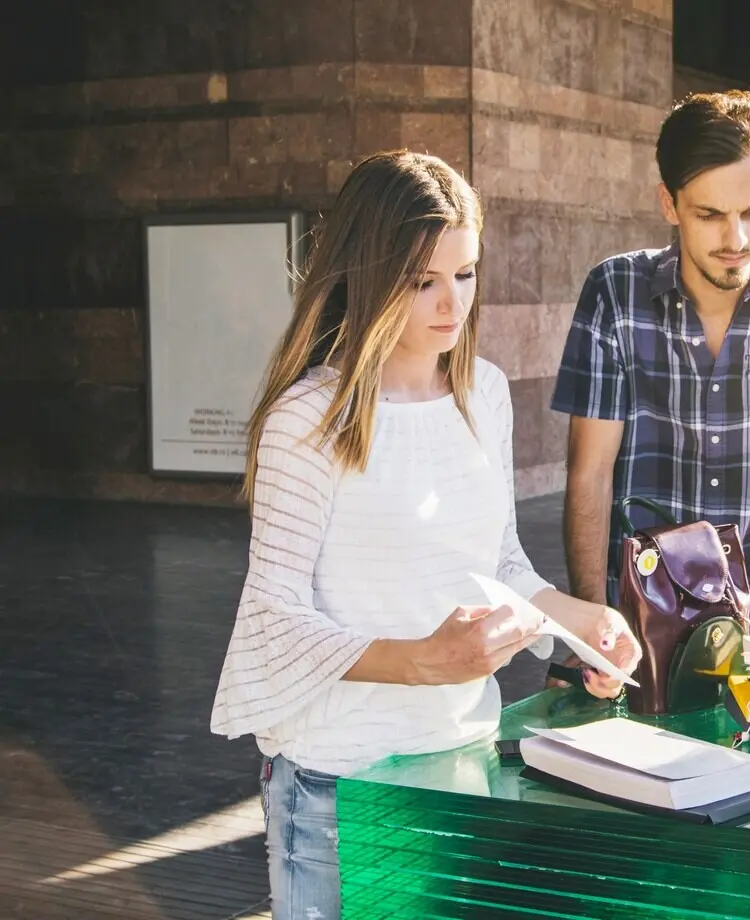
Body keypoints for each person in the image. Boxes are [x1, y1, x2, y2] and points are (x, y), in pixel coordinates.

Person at [209, 150, 642, 920]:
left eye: (466, 274)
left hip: (458, 764)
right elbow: (272, 621)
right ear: (368, 274)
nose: (453, 304)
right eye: (424, 281)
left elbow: (496, 562)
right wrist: (418, 663)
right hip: (336, 784)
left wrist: (585, 623)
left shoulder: (485, 393)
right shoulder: (307, 420)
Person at [551, 90, 750, 637]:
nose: (736, 238)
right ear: (669, 204)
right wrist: (589, 639)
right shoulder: (615, 291)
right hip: (644, 622)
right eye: (710, 214)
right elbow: (589, 476)